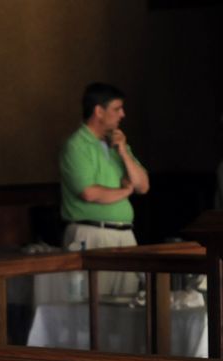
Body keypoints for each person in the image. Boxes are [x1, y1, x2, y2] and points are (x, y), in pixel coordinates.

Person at [51, 82, 150, 300]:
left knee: (128, 302)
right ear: (98, 111)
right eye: (117, 108)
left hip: (124, 235)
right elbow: (89, 193)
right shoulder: (76, 145)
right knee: (94, 304)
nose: (122, 114)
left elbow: (143, 185)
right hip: (91, 234)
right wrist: (125, 192)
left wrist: (123, 151)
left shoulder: (116, 143)